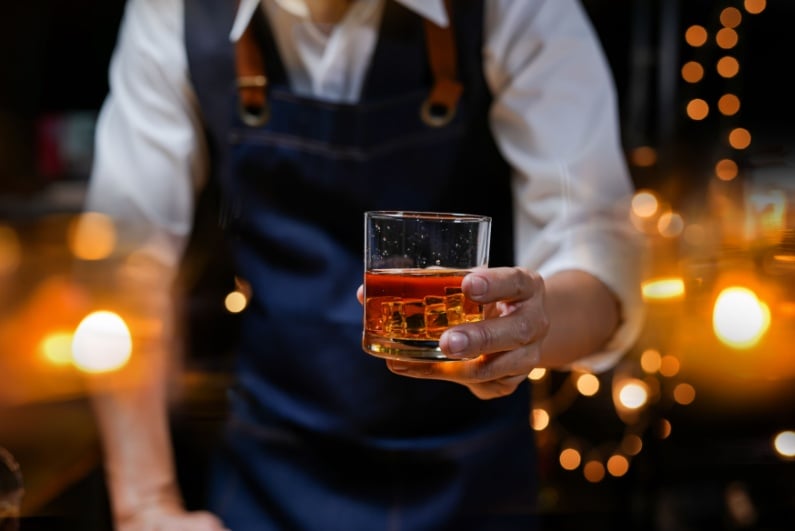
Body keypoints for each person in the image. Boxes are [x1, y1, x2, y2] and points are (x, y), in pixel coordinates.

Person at [80, 0, 646, 529]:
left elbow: (592, 240)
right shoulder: (172, 10)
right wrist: (146, 506)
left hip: (473, 482)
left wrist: (529, 327)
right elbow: (123, 268)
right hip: (271, 480)